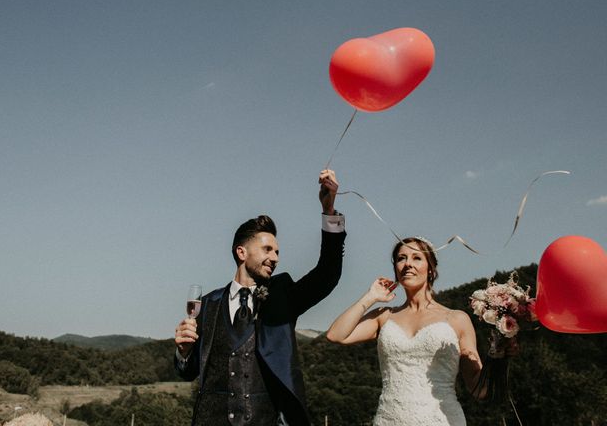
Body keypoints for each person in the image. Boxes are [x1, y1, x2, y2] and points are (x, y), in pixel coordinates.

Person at [174, 169, 346, 426]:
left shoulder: (283, 296)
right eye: (267, 249)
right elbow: (188, 372)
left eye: (277, 251)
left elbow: (327, 274)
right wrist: (183, 352)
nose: (275, 257)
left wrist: (329, 211)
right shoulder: (207, 304)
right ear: (241, 252)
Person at [326, 236, 511, 425]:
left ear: (430, 268)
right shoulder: (384, 316)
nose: (407, 264)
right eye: (401, 258)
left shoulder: (456, 319)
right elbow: (336, 334)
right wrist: (370, 297)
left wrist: (498, 356)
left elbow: (478, 388)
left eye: (416, 258)